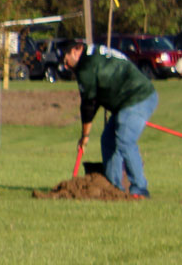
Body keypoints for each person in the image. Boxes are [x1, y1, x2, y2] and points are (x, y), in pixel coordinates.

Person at [60, 38, 156, 197]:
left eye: (66, 59)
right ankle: (113, 188)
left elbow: (89, 104)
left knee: (125, 140)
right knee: (108, 140)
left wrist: (85, 136)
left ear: (76, 51)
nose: (65, 65)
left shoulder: (85, 67)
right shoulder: (92, 55)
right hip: (127, 101)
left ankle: (140, 189)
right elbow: (95, 98)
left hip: (138, 98)